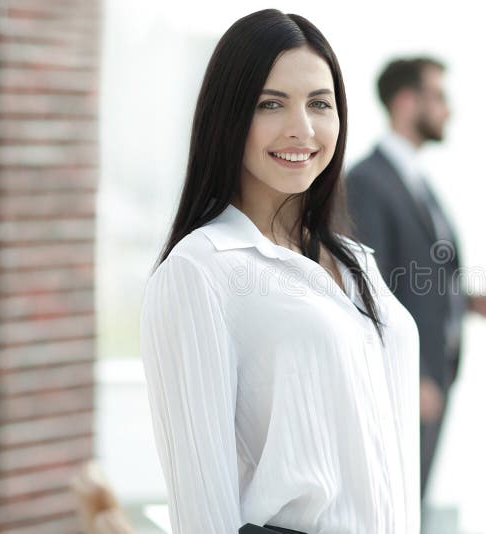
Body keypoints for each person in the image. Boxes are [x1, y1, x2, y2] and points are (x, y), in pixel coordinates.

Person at [140, 10, 420, 534]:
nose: (303, 129)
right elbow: (202, 508)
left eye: (320, 103)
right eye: (271, 104)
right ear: (229, 116)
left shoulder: (358, 264)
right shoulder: (200, 271)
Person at [346, 57, 486, 498]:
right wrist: (410, 375)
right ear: (407, 102)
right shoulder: (368, 181)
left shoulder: (413, 177)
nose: (448, 110)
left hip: (435, 370)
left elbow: (413, 271)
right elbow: (371, 285)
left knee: (415, 499)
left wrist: (462, 299)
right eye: (439, 97)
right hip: (408, 378)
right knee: (397, 502)